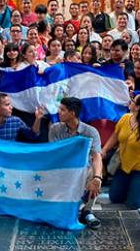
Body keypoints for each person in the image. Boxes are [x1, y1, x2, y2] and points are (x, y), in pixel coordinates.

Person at [48, 97, 103, 230]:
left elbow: (97, 156)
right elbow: (53, 154)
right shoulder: (55, 129)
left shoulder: (91, 132)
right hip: (61, 170)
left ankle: (87, 211)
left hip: (83, 170)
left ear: (72, 113)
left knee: (94, 174)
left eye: (62, 110)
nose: (58, 112)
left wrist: (97, 177)